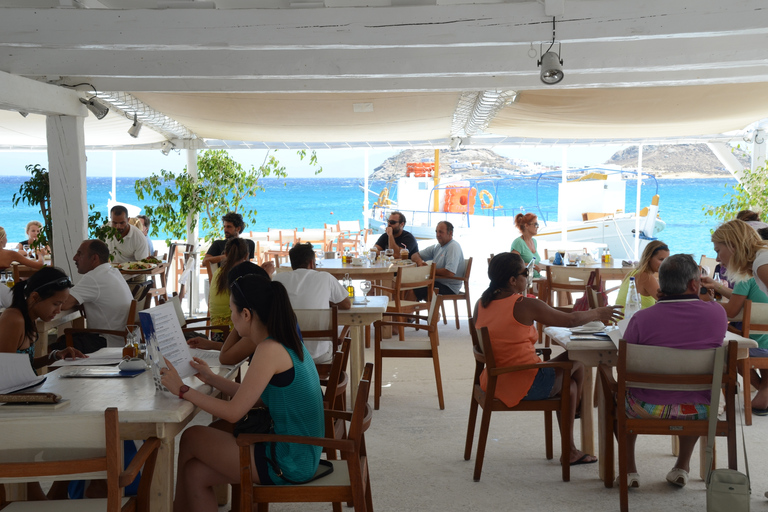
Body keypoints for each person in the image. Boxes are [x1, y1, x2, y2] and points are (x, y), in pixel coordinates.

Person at [160, 274, 324, 512]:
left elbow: (234, 412)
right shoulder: (283, 341)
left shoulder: (268, 349)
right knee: (195, 473)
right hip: (300, 451)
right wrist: (210, 378)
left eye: (232, 312)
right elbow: (254, 397)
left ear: (246, 314)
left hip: (289, 459)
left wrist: (182, 389)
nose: (230, 318)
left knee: (192, 436)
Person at [474, 252, 622, 465]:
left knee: (570, 386)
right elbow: (570, 320)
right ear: (512, 280)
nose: (529, 277)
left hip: (494, 380)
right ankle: (577, 412)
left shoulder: (481, 303)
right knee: (579, 360)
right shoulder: (523, 304)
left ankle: (572, 433)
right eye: (526, 273)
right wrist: (599, 313)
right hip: (522, 381)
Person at [620, 253, 727, 488]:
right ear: (693, 284)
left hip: (644, 407)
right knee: (697, 392)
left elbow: (625, 362)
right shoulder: (717, 314)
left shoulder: (641, 319)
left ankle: (629, 469)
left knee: (616, 392)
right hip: (698, 410)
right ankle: (682, 465)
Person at [49, 240, 134, 353]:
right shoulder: (113, 272)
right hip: (122, 340)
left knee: (52, 350)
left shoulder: (94, 278)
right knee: (68, 339)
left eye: (80, 254)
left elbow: (62, 304)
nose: (75, 258)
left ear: (94, 258)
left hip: (107, 342)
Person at [273, 242, 351, 364]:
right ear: (311, 263)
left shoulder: (278, 279)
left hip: (287, 356)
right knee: (344, 337)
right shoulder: (325, 277)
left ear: (292, 263)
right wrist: (327, 300)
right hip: (319, 355)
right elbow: (347, 305)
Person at [0, 266, 85, 369]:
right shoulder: (14, 320)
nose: (58, 310)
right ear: (35, 297)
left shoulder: (31, 317)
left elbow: (26, 366)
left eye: (61, 304)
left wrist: (55, 355)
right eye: (55, 304)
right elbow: (5, 371)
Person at [411, 221, 466, 301]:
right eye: (436, 231)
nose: (437, 235)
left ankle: (405, 312)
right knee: (409, 285)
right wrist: (419, 262)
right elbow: (414, 255)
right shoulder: (438, 246)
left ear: (450, 233)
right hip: (437, 282)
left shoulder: (453, 247)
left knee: (413, 288)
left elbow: (450, 272)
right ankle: (432, 312)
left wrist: (429, 270)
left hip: (449, 287)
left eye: (441, 232)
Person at [711, 219, 768, 296]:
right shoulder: (759, 260)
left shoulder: (761, 262)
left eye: (718, 251)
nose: (717, 259)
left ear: (732, 245)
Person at [208, 238, 249, 341]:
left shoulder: (218, 273)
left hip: (215, 334)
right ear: (246, 255)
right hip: (233, 335)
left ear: (225, 254)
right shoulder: (240, 275)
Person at [615, 240, 670, 310]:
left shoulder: (633, 272)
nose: (665, 263)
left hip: (621, 320)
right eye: (661, 259)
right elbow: (668, 302)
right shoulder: (646, 277)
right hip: (629, 319)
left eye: (667, 260)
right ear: (649, 258)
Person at [510, 213, 543, 278]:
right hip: (526, 282)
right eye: (535, 224)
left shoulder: (534, 241)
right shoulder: (518, 242)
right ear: (526, 226)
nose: (538, 227)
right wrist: (531, 266)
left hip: (537, 279)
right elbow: (513, 264)